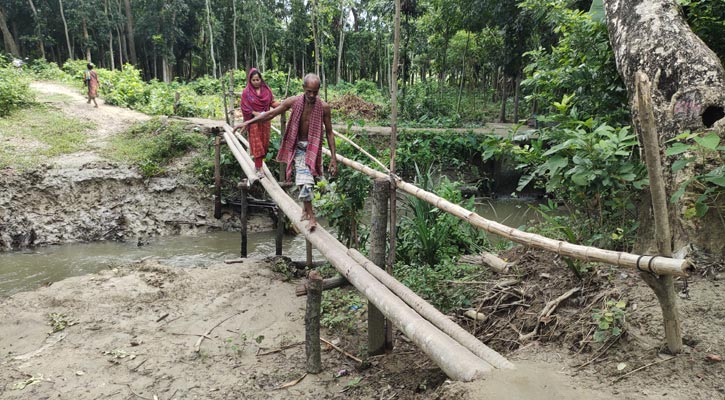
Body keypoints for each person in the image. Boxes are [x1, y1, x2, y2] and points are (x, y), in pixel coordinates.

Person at [235, 73, 337, 232]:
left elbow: (330, 132)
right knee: (306, 182)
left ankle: (305, 209)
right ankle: (312, 217)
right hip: (298, 147)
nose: (311, 95)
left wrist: (333, 158)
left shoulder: (323, 107)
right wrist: (247, 121)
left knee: (308, 181)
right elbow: (270, 114)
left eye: (315, 92)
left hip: (313, 148)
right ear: (303, 88)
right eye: (309, 91)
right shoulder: (294, 102)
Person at [240, 68, 279, 178]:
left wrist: (283, 105)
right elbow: (244, 107)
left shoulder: (267, 90)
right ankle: (259, 168)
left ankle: (258, 165)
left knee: (264, 143)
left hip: (265, 121)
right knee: (257, 145)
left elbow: (272, 102)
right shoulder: (246, 92)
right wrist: (255, 113)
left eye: (258, 79)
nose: (256, 82)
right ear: (250, 80)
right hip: (254, 122)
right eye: (254, 80)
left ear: (261, 79)